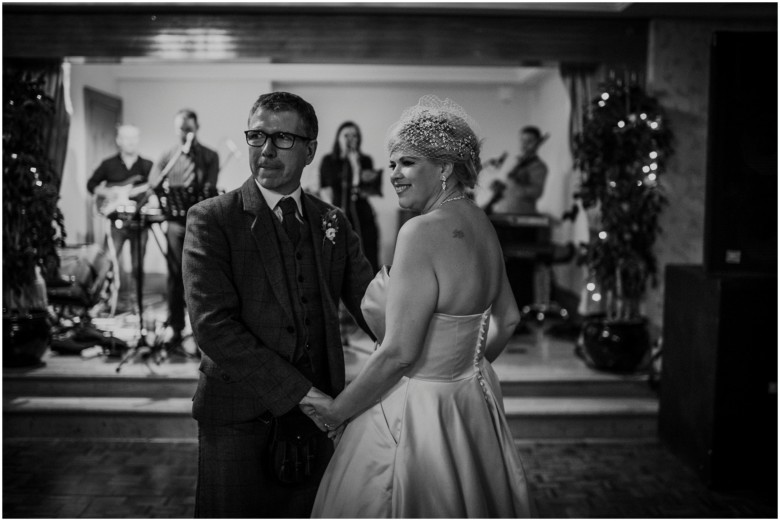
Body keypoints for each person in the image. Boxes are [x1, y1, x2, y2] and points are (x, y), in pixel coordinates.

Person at [303, 95, 531, 517]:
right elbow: (510, 318)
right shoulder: (481, 222)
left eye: (406, 163)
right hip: (467, 402)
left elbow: (399, 353)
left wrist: (337, 413)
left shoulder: (420, 232)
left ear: (444, 167)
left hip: (413, 412)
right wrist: (461, 370)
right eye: (391, 164)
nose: (393, 175)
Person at [182, 91, 375, 518]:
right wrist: (305, 396)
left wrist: (425, 328)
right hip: (239, 417)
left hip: (319, 418)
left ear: (310, 150)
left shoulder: (332, 222)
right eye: (257, 136)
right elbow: (214, 328)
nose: (266, 150)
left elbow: (371, 305)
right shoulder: (212, 218)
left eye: (283, 138)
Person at [149, 109, 219, 349]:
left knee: (200, 277)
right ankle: (176, 327)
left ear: (196, 128)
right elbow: (153, 182)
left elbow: (209, 188)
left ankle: (202, 331)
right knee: (175, 276)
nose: (185, 133)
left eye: (188, 128)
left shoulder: (210, 155)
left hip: (200, 225)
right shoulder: (169, 155)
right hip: (175, 223)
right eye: (181, 128)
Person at [86, 124, 153, 306]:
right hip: (116, 223)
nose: (131, 142)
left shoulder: (147, 166)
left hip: (140, 224)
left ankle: (136, 304)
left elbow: (155, 188)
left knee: (138, 266)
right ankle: (97, 302)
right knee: (107, 262)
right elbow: (91, 184)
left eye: (134, 138)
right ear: (119, 141)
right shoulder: (109, 164)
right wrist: (110, 193)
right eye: (127, 138)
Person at [319, 121, 381, 273]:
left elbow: (367, 189)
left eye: (354, 135)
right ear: (338, 137)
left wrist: (355, 166)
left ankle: (369, 290)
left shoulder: (365, 160)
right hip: (336, 213)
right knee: (336, 258)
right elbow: (325, 189)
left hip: (362, 215)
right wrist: (331, 212)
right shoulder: (329, 160)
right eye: (346, 135)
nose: (350, 139)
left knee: (367, 253)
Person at [491, 125, 549, 215]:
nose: (524, 144)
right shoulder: (518, 163)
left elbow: (537, 192)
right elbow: (510, 186)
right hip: (504, 213)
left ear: (537, 143)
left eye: (529, 141)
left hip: (521, 217)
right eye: (522, 140)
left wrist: (516, 186)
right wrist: (500, 187)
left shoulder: (539, 166)